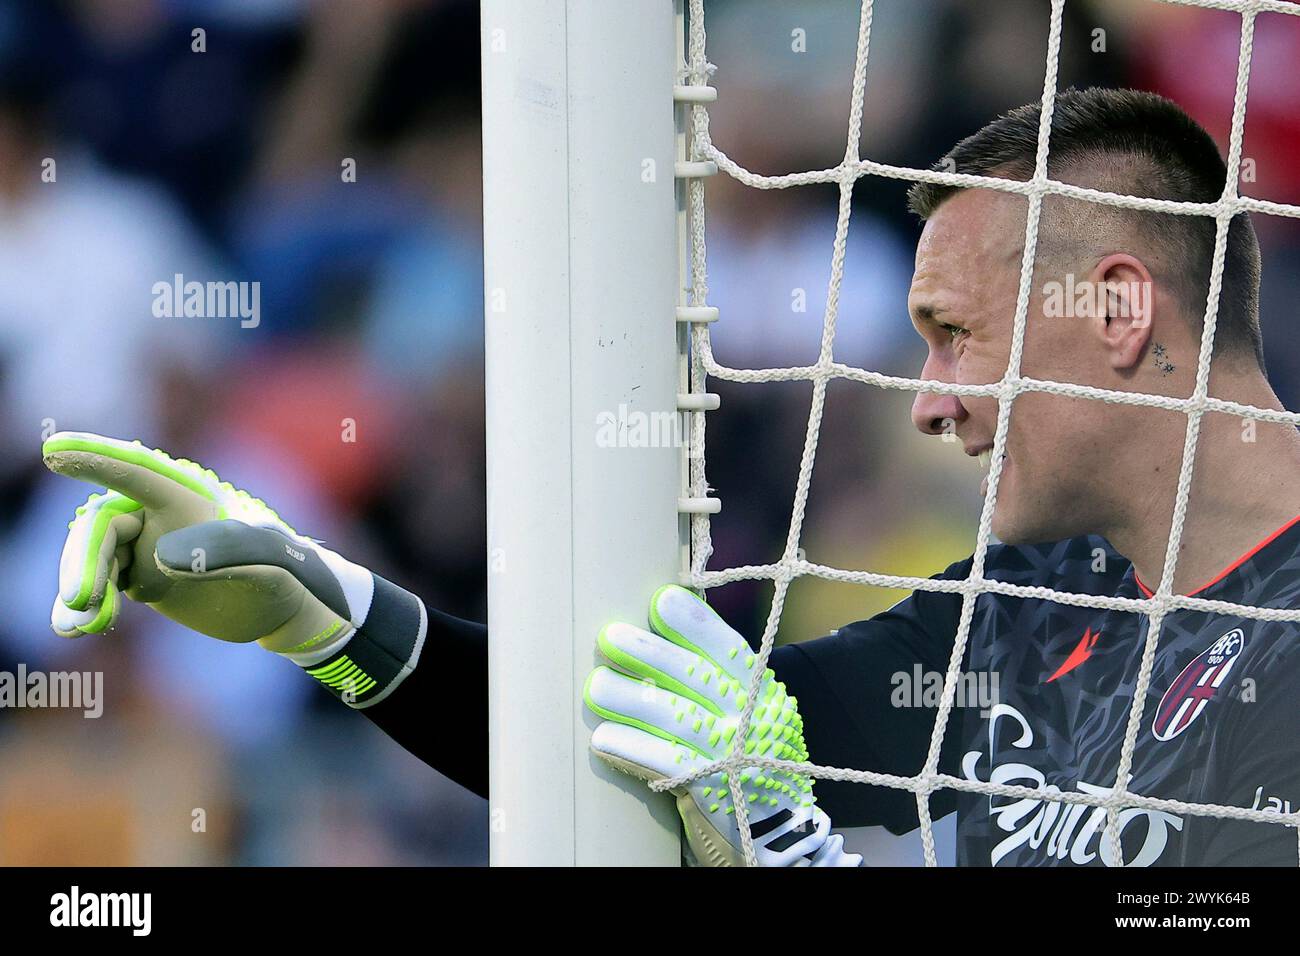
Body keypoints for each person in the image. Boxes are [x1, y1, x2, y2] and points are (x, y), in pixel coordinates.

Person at [43, 88, 1300, 866]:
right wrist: (322, 611)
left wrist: (788, 853)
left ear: (1116, 306)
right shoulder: (1040, 597)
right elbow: (633, 733)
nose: (923, 399)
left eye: (953, 333)